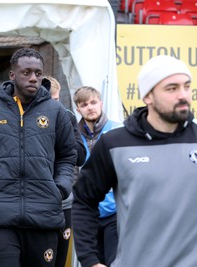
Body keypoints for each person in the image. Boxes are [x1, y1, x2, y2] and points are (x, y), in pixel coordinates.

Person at [72, 55, 197, 267]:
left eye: (187, 86)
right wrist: (90, 260)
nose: (183, 95)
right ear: (148, 96)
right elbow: (84, 200)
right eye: (171, 88)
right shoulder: (115, 144)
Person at [0, 48, 77, 267]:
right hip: (2, 214)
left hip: (44, 214)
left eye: (38, 73)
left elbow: (67, 156)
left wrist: (60, 188)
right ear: (12, 75)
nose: (33, 78)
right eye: (26, 72)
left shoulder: (56, 112)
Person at [73, 86, 119, 266]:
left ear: (101, 103)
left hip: (115, 212)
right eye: (84, 104)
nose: (90, 107)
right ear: (78, 109)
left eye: (93, 102)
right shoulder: (73, 136)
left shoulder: (117, 130)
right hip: (87, 213)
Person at [46, 76, 87, 267]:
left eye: (56, 100)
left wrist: (65, 132)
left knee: (60, 260)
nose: (55, 105)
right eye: (51, 100)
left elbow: (80, 156)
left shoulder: (67, 116)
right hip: (36, 203)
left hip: (63, 202)